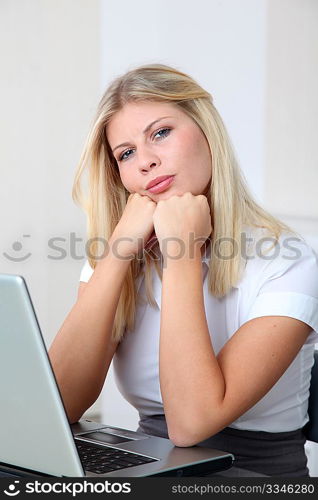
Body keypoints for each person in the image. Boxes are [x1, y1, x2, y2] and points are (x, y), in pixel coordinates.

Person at [48, 63, 318, 477]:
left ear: (206, 130)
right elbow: (57, 405)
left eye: (160, 133)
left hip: (255, 479)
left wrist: (182, 254)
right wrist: (119, 251)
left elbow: (191, 424)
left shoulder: (289, 261)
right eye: (126, 153)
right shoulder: (120, 251)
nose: (146, 162)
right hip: (151, 472)